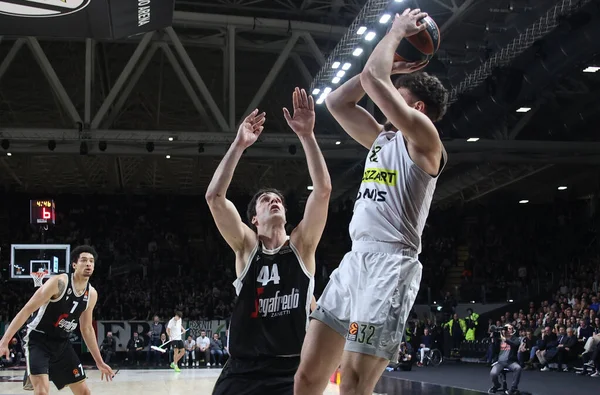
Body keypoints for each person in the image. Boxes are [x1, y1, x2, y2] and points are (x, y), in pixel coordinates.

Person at [293, 9, 449, 395]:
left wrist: (396, 32)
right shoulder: (382, 139)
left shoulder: (425, 140)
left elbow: (373, 80)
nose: (386, 102)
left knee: (354, 381)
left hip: (390, 266)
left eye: (400, 97)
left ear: (417, 109)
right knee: (308, 376)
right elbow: (337, 102)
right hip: (355, 261)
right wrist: (393, 71)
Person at [206, 87, 330, 395]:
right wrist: (238, 145)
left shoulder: (302, 246)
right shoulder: (246, 247)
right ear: (254, 220)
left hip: (290, 370)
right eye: (265, 200)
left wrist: (307, 136)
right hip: (243, 369)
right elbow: (214, 197)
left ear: (286, 214)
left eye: (278, 199)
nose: (273, 200)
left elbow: (323, 191)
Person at [0, 245, 114, 393]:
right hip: (38, 340)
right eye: (84, 260)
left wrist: (99, 362)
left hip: (62, 343)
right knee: (42, 391)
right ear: (74, 264)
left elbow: (86, 328)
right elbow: (27, 309)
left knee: (84, 392)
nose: (88, 264)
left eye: (91, 261)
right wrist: (4, 341)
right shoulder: (59, 282)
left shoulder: (91, 294)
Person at [489, 325, 522, 395]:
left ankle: (513, 388)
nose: (508, 330)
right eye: (507, 329)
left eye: (510, 329)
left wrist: (505, 340)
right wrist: (493, 340)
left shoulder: (515, 339)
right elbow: (494, 351)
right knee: (493, 373)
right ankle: (497, 385)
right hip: (500, 362)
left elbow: (515, 345)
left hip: (510, 361)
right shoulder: (499, 339)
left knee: (518, 368)